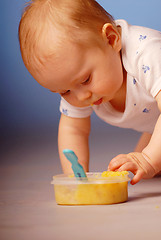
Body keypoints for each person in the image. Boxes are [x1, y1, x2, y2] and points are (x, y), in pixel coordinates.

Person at [18, 0, 161, 185]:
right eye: (64, 91)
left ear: (111, 39)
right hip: (155, 121)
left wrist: (148, 159)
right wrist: (77, 180)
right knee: (141, 168)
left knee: (148, 161)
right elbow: (73, 129)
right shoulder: (74, 81)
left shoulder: (147, 53)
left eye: (86, 80)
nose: (81, 97)